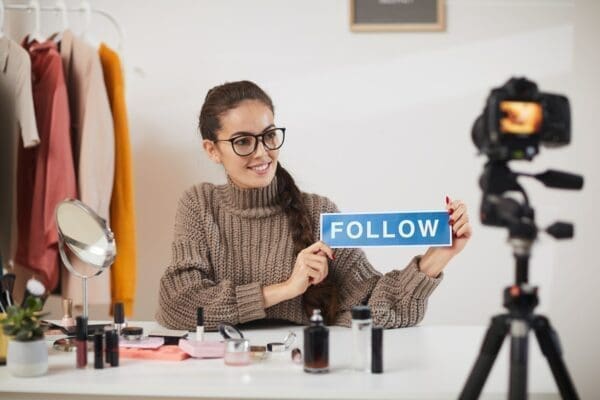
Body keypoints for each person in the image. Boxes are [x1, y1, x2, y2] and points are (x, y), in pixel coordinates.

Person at [156, 81, 472, 330]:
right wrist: (286, 289)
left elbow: (374, 305)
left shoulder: (319, 212)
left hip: (304, 372)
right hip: (220, 375)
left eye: (268, 135)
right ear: (212, 150)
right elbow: (179, 305)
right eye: (242, 141)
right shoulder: (200, 204)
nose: (261, 152)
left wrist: (436, 258)